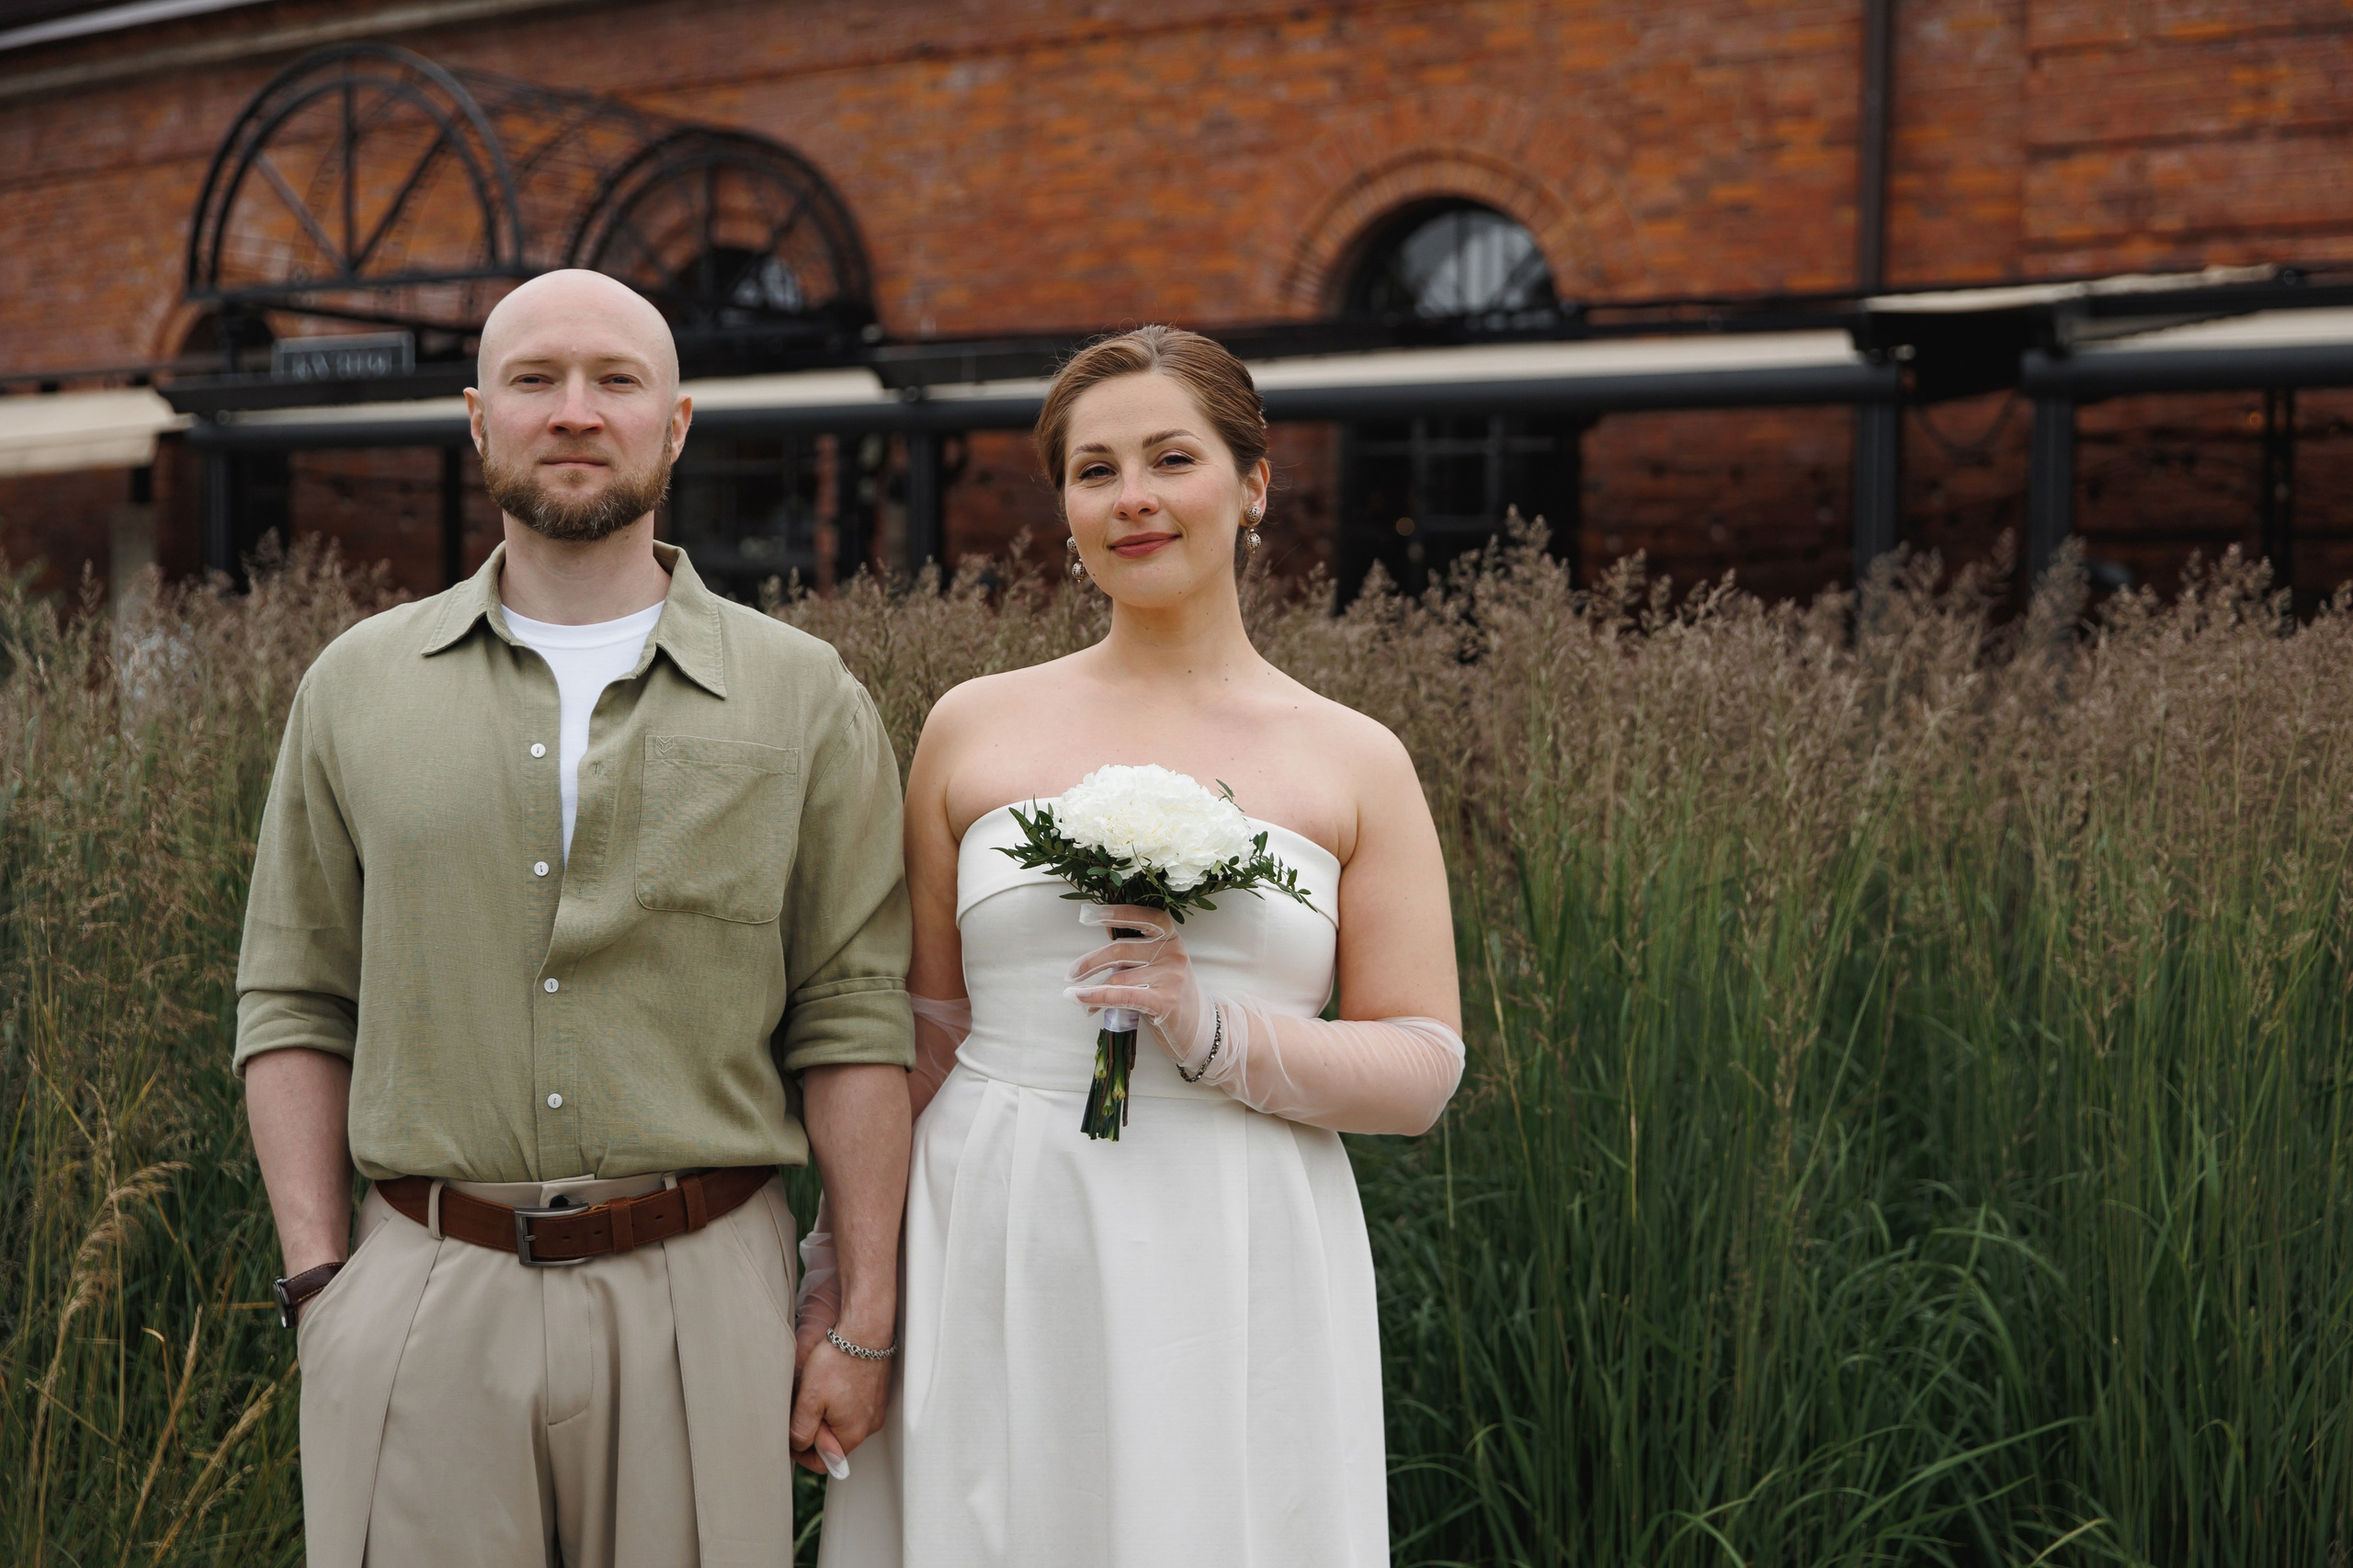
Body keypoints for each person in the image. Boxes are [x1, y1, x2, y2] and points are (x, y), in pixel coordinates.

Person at [237, 267, 913, 1568]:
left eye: (616, 380)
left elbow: (852, 1012)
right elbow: (295, 995)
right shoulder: (356, 687)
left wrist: (862, 1315)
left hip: (703, 1289)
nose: (576, 411)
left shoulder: (803, 697)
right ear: (478, 418)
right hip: (422, 1289)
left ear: (679, 422)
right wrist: (324, 1280)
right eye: (537, 380)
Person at [809, 325, 1465, 1567]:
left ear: (1253, 482)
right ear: (1064, 503)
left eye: (1172, 457)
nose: (1134, 499)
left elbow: (1424, 1062)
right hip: (996, 1222)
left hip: (1237, 1231)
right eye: (1096, 469)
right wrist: (845, 1292)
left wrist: (1212, 1029)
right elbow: (917, 1038)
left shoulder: (1353, 756)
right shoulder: (969, 728)